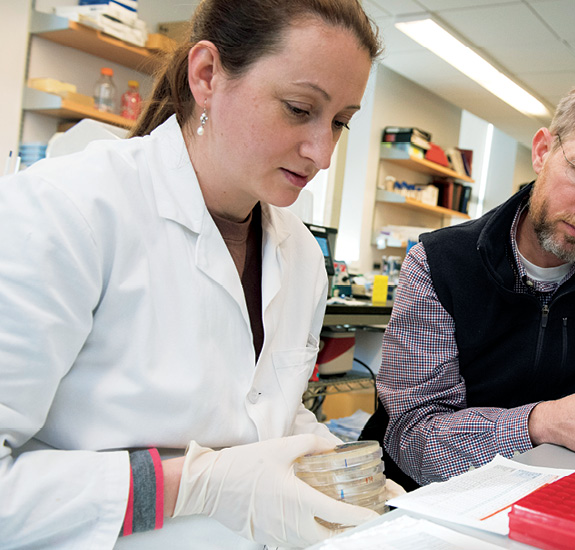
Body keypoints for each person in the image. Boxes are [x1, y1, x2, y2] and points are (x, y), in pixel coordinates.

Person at [0, 0, 392, 548]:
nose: (321, 153)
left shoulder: (300, 254)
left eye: (340, 123)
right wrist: (191, 486)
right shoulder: (69, 211)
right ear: (207, 75)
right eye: (300, 108)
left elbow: (261, 409)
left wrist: (333, 463)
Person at [362, 78, 575, 489]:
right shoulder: (439, 263)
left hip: (572, 492)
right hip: (442, 500)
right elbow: (413, 437)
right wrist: (545, 422)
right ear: (543, 151)